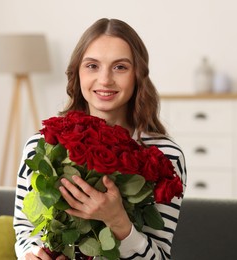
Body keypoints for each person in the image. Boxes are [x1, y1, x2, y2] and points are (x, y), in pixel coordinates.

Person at [14, 18, 187, 260]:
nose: (105, 80)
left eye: (120, 67)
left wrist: (118, 221)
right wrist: (31, 254)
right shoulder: (42, 146)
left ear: (138, 75)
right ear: (77, 73)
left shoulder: (164, 156)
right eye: (92, 66)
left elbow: (159, 256)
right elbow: (24, 228)